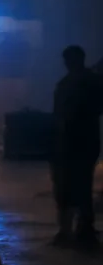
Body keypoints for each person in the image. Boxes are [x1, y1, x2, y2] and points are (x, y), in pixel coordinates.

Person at [52, 44, 103, 248]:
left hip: (75, 141)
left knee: (72, 187)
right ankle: (82, 229)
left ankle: (76, 230)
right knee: (80, 187)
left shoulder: (69, 83)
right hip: (83, 141)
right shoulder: (90, 82)